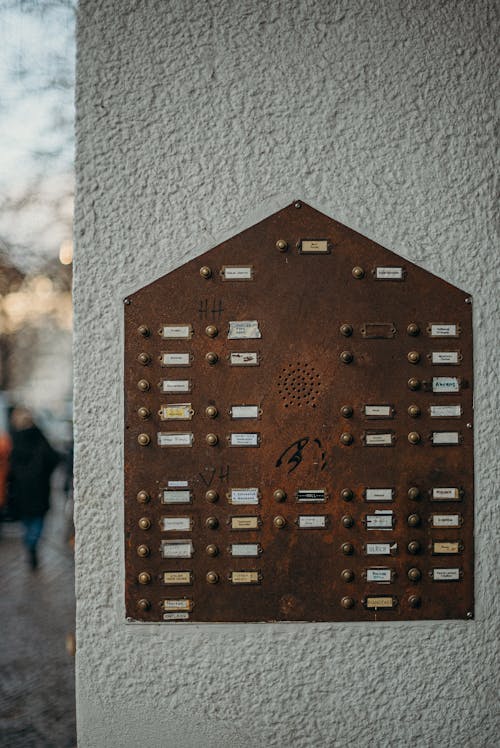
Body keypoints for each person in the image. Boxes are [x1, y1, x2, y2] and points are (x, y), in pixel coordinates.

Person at [7, 406, 59, 569]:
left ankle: (30, 543)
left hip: (21, 489)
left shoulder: (12, 439)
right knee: (38, 519)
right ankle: (32, 543)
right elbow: (53, 458)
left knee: (27, 520)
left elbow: (9, 466)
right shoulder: (39, 436)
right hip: (39, 486)